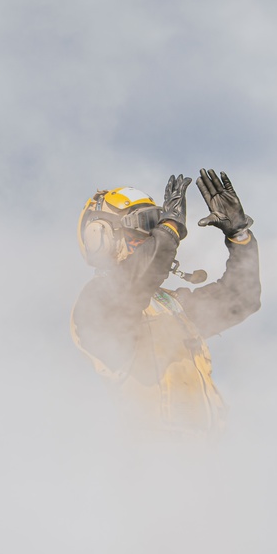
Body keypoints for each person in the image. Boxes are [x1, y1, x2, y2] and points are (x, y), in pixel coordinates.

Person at [70, 169, 261, 435]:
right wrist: (170, 229)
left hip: (206, 461)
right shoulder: (97, 302)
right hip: (151, 462)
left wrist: (239, 236)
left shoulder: (171, 307)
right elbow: (131, 287)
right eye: (144, 226)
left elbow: (241, 298)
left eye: (157, 225)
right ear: (101, 237)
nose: (154, 236)